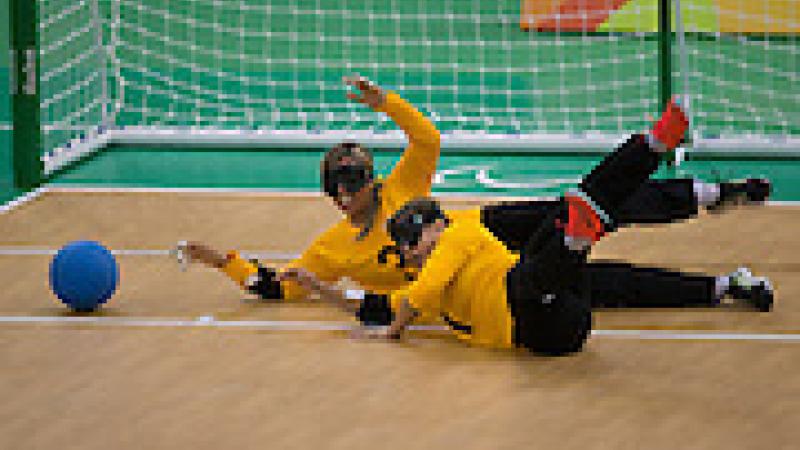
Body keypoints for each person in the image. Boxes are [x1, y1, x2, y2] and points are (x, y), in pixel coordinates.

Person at [177, 78, 772, 324]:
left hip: (480, 235)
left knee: (578, 210)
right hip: (471, 286)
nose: (362, 185)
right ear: (336, 198)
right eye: (351, 181)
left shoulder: (403, 187)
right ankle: (722, 285)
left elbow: (427, 138)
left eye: (362, 173)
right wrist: (218, 259)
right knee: (603, 276)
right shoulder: (329, 249)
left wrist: (385, 103)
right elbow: (276, 284)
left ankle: (706, 190)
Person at [317, 101, 775, 356]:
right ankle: (592, 226)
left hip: (517, 265)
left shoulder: (437, 223)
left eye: (413, 239)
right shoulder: (390, 267)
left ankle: (664, 160)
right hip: (541, 313)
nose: (409, 251)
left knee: (583, 214)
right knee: (578, 242)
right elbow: (374, 302)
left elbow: (421, 292)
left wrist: (394, 330)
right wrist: (315, 287)